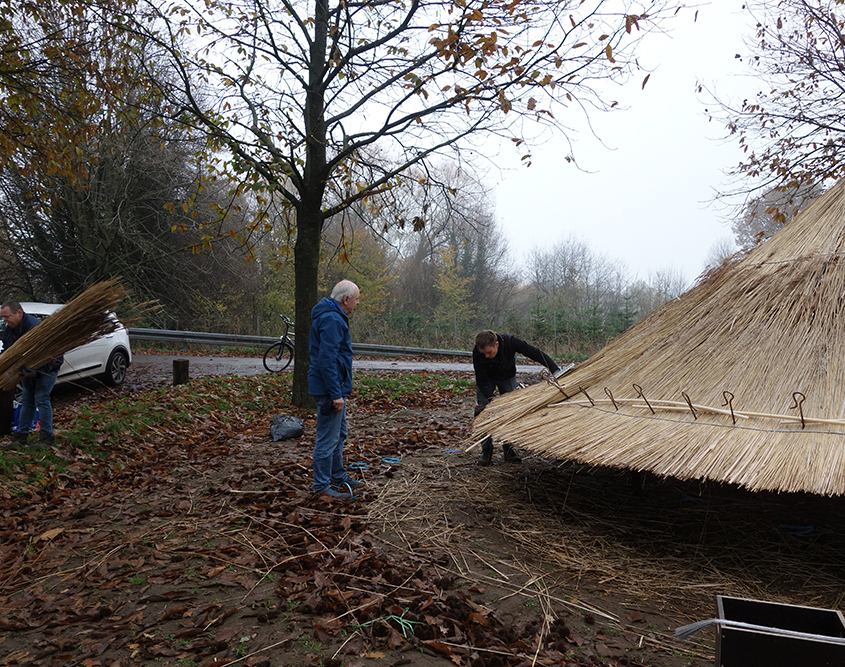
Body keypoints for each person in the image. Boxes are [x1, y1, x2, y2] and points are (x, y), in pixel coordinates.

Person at [307, 280, 362, 499]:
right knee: (327, 439)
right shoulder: (331, 319)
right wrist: (336, 394)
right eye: (356, 299)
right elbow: (326, 360)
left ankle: (337, 475)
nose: (357, 303)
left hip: (333, 386)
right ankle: (321, 487)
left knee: (339, 433)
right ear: (346, 299)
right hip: (329, 389)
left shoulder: (332, 316)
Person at [472, 330, 561, 466]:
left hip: (507, 377)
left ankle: (509, 451)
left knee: (509, 412)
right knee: (483, 414)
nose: (486, 356)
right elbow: (481, 378)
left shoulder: (510, 341)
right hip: (487, 379)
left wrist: (555, 370)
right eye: (484, 353)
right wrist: (492, 399)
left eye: (489, 352)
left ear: (496, 344)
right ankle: (486, 452)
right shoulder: (478, 351)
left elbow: (534, 353)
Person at [0, 300, 63, 447]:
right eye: (3, 317)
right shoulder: (10, 328)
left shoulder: (35, 328)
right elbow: (8, 350)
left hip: (48, 367)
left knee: (41, 398)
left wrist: (36, 370)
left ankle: (47, 438)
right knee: (27, 400)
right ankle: (20, 438)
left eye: (7, 316)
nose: (5, 320)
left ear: (19, 313)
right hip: (26, 370)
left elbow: (49, 353)